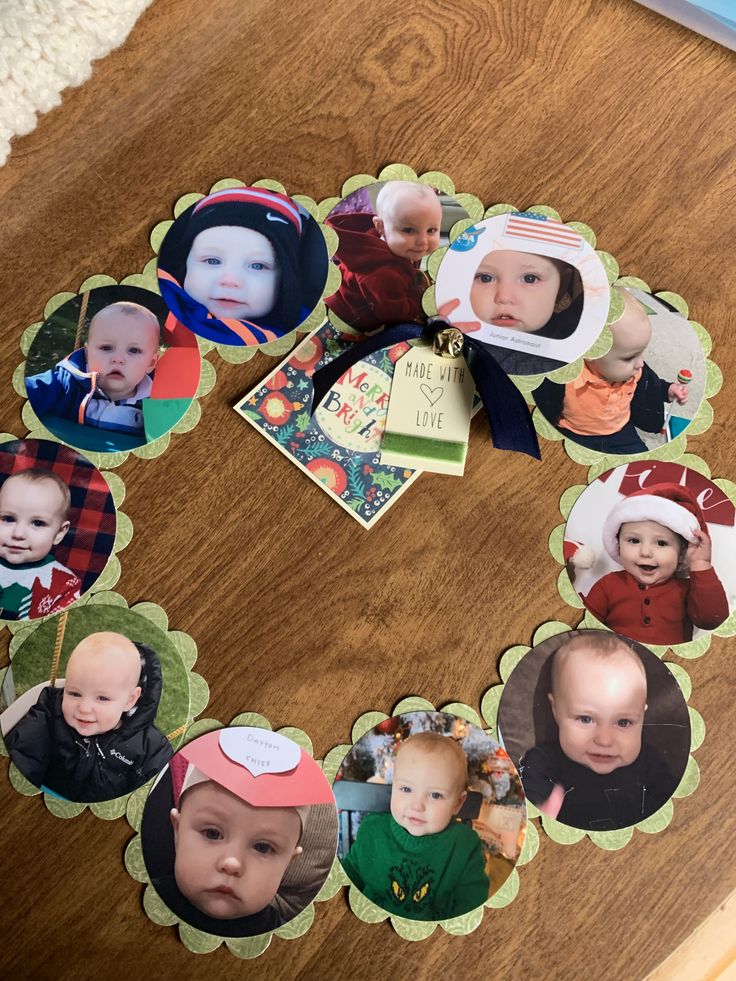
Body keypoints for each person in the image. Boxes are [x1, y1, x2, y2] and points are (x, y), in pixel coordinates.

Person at [150, 728, 336, 937]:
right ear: (177, 831)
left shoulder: (281, 934)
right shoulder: (147, 895)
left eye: (263, 847)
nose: (232, 863)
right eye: (212, 834)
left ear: (288, 863)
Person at [520, 633, 678, 831]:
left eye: (623, 722)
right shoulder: (542, 764)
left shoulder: (651, 766)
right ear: (556, 710)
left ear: (641, 717)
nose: (604, 740)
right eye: (586, 719)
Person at [5, 632, 172, 802]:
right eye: (74, 693)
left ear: (130, 700)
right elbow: (23, 756)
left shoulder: (151, 750)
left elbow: (148, 800)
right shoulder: (50, 712)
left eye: (102, 698)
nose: (84, 708)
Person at [341, 731, 489, 921]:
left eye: (435, 795)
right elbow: (348, 878)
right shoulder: (372, 829)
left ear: (457, 804)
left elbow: (471, 908)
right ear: (393, 786)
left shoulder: (464, 845)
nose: (417, 805)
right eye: (406, 789)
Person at [533, 287, 689, 454]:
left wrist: (668, 390)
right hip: (573, 434)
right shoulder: (565, 377)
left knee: (640, 462)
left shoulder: (635, 371)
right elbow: (543, 400)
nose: (640, 364)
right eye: (629, 357)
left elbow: (652, 385)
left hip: (621, 432)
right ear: (592, 351)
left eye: (641, 353)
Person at [157, 186, 316, 346]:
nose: (230, 280)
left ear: (286, 280)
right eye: (212, 261)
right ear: (185, 264)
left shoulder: (301, 336)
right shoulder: (160, 304)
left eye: (258, 266)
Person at [582, 483, 729, 646]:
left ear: (681, 554)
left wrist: (700, 564)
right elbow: (585, 628)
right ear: (618, 545)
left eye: (661, 543)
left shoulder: (688, 589)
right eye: (634, 540)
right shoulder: (608, 585)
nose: (645, 552)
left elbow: (712, 619)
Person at [25, 301, 160, 437]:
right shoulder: (65, 385)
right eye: (106, 348)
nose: (118, 359)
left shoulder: (158, 405)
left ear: (151, 363)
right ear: (87, 353)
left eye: (134, 350)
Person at [325, 180, 442, 330]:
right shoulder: (381, 274)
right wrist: (420, 301)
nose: (423, 241)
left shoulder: (402, 248)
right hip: (348, 316)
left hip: (377, 298)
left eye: (431, 230)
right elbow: (396, 316)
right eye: (409, 230)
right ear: (381, 227)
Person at [0, 468, 80, 620]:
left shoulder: (65, 583)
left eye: (38, 523)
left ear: (59, 533)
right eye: (8, 519)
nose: (18, 534)